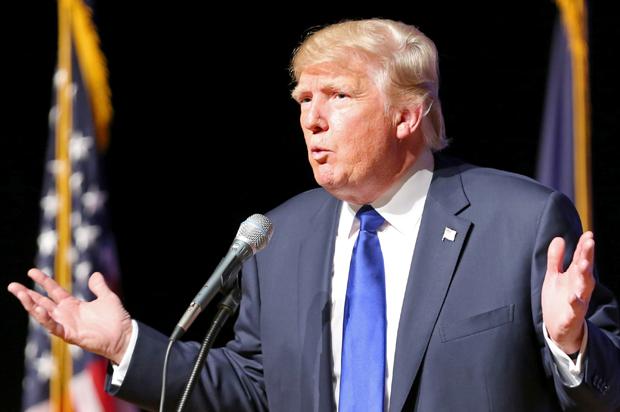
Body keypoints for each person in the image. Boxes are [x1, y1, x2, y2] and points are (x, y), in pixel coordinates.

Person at [9, 18, 620, 411]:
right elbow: (250, 389)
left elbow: (607, 389)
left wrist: (572, 343)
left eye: (339, 96)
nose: (311, 118)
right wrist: (123, 344)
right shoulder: (279, 238)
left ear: (408, 114)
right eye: (304, 99)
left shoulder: (522, 222)